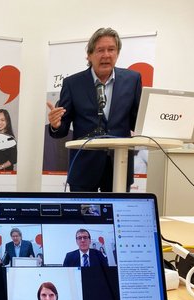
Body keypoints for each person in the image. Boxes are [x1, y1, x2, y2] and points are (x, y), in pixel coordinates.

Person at [46, 27, 142, 192]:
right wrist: (55, 124)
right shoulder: (73, 84)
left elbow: (137, 122)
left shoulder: (132, 80)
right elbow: (62, 129)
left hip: (119, 166)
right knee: (82, 217)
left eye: (111, 49)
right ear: (89, 55)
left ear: (117, 53)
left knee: (115, 216)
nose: (106, 55)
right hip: (84, 167)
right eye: (100, 50)